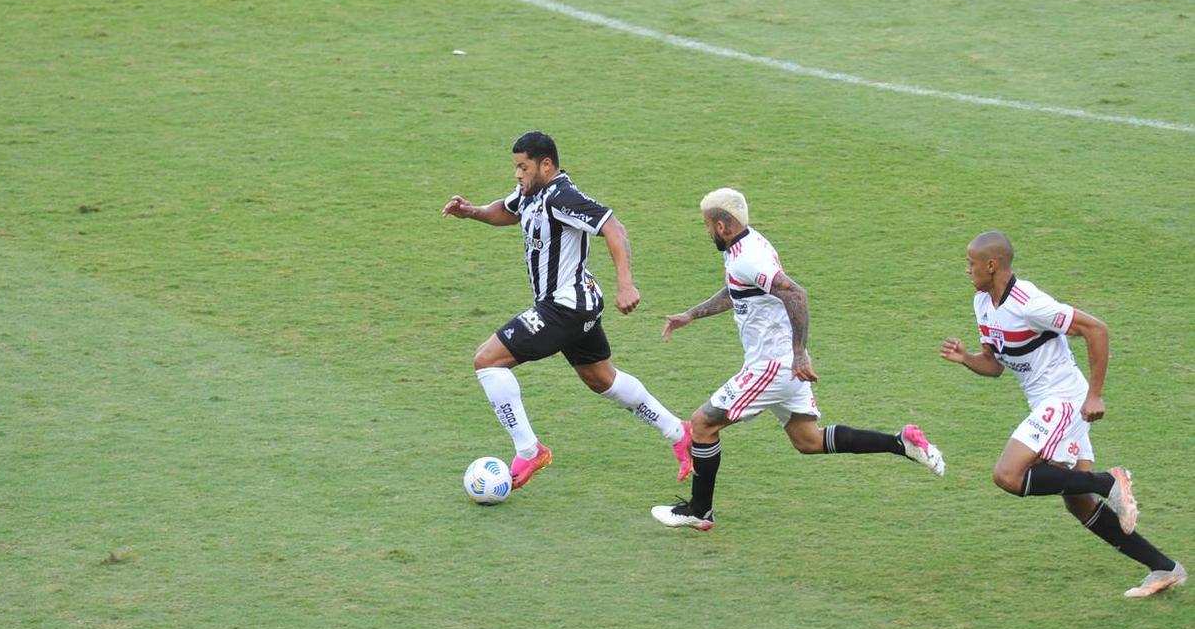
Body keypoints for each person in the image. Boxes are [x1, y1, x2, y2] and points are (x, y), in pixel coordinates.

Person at [651, 188, 945, 531]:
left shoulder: (748, 257)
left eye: (707, 226)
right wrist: (691, 314)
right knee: (809, 440)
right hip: (782, 367)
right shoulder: (744, 248)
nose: (707, 233)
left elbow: (795, 292)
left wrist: (798, 351)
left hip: (773, 366)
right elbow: (738, 291)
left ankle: (699, 511)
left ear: (722, 225)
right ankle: (901, 443)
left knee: (702, 424)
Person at [940, 231, 1186, 598]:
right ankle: (1164, 567)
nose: (966, 270)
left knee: (1007, 475)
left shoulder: (1031, 303)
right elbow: (994, 364)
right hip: (1045, 403)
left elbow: (1095, 329)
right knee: (1078, 502)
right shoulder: (982, 302)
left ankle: (1110, 481)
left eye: (971, 264)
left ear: (992, 265)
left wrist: (1095, 395)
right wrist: (967, 360)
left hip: (1065, 399)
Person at [441, 132, 692, 490]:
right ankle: (677, 431)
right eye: (516, 167)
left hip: (563, 308)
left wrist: (626, 283)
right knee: (602, 379)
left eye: (523, 167)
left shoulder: (562, 196)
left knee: (487, 361)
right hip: (579, 305)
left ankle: (529, 451)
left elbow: (613, 227)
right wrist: (473, 212)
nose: (518, 174)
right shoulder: (532, 194)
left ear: (546, 165)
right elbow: (508, 210)